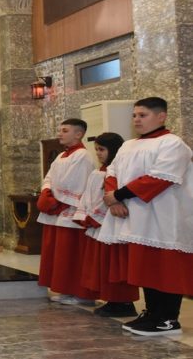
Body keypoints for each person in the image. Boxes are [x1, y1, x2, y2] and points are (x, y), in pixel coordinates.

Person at [101, 97, 193, 336]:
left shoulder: (173, 144)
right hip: (137, 217)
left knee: (167, 268)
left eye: (143, 115)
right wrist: (114, 199)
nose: (136, 120)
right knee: (146, 268)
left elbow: (160, 178)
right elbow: (111, 172)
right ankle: (152, 313)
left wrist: (117, 195)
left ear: (161, 116)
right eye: (134, 115)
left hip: (165, 217)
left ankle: (168, 319)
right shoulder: (128, 145)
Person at [72, 132, 139, 317]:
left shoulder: (118, 173)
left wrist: (95, 217)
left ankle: (123, 302)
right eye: (96, 150)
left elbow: (108, 199)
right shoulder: (97, 172)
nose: (98, 153)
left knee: (115, 266)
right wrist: (84, 214)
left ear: (114, 150)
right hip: (97, 226)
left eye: (102, 149)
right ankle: (112, 300)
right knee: (103, 266)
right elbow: (89, 196)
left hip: (112, 225)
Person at [36, 118, 98, 305]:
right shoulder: (61, 155)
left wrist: (56, 202)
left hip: (70, 211)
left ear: (78, 134)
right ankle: (65, 289)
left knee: (73, 254)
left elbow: (75, 183)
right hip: (57, 210)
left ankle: (81, 294)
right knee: (60, 254)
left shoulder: (83, 156)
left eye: (64, 130)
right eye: (60, 130)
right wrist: (46, 192)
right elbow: (49, 176)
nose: (59, 134)